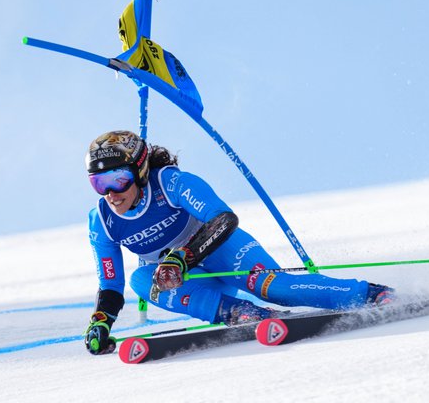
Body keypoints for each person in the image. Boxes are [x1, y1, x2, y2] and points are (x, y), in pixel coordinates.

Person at [83, 130, 394, 355]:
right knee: (141, 280)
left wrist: (183, 257)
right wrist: (101, 322)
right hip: (188, 279)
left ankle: (370, 293)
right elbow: (110, 284)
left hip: (221, 251)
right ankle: (239, 312)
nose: (110, 192)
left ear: (139, 171)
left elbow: (223, 219)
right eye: (99, 183)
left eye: (117, 179)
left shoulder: (170, 182)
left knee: (276, 290)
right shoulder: (102, 221)